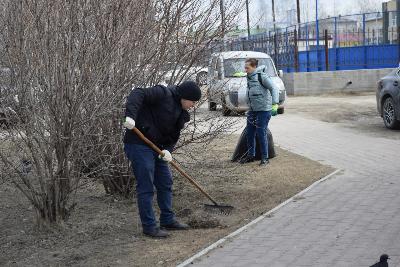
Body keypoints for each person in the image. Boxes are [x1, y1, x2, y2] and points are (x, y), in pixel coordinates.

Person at [123, 81, 201, 238]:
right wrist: (130, 116)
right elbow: (137, 92)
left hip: (158, 148)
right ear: (185, 97)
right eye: (192, 102)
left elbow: (173, 136)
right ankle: (149, 226)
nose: (193, 105)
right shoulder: (162, 93)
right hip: (139, 144)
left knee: (165, 182)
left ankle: (167, 219)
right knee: (146, 186)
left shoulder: (182, 114)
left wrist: (168, 150)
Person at [240, 58, 279, 166]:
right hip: (252, 110)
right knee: (250, 133)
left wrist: (275, 104)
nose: (245, 69)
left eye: (247, 67)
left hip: (263, 110)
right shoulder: (249, 77)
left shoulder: (262, 76)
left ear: (254, 67)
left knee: (261, 134)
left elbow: (274, 89)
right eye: (245, 67)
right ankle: (250, 156)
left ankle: (265, 158)